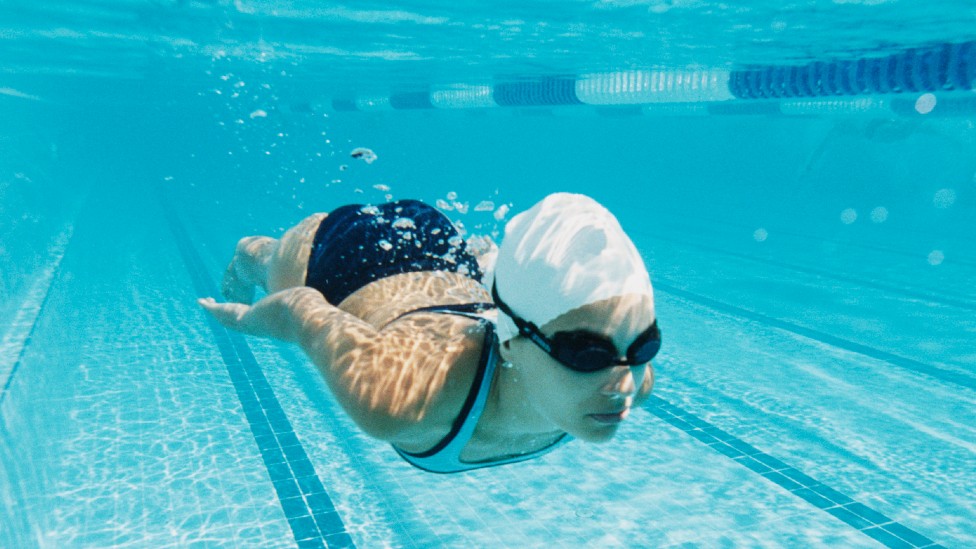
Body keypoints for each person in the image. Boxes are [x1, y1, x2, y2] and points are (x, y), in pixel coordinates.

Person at [198, 193, 661, 473]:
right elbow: (302, 309)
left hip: (446, 258)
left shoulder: (632, 377)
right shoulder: (400, 398)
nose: (625, 384)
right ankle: (252, 253)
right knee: (270, 262)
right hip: (351, 262)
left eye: (645, 346)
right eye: (586, 354)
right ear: (513, 340)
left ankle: (488, 265)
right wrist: (244, 321)